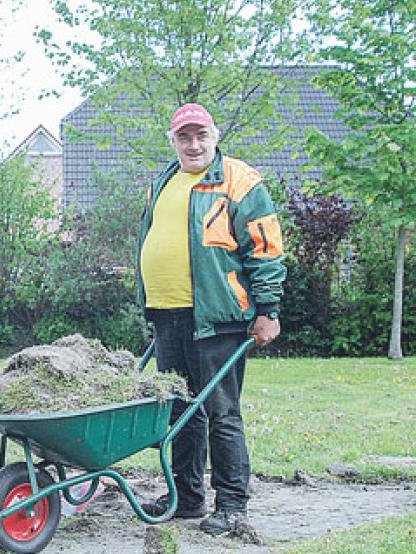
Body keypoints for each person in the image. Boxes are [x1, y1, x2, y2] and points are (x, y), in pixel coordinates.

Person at [136, 103, 286, 535]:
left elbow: (266, 249)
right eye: (184, 136)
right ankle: (186, 497)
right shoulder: (163, 180)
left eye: (201, 135)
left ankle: (233, 505)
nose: (194, 144)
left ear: (215, 136)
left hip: (218, 317)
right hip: (168, 315)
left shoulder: (241, 181)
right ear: (174, 140)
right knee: (180, 409)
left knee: (221, 410)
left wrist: (268, 309)